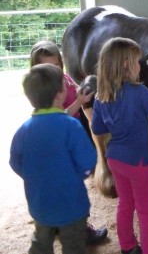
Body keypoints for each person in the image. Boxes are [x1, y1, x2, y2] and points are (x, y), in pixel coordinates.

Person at [91, 37, 148, 254]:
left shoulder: (100, 96)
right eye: (137, 61)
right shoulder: (138, 92)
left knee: (125, 204)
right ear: (125, 64)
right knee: (147, 211)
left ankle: (128, 246)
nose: (141, 66)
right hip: (138, 161)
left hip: (115, 158)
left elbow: (99, 129)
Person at [9, 63, 97, 254]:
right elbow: (88, 162)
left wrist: (33, 176)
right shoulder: (71, 126)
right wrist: (77, 175)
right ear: (59, 94)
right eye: (65, 84)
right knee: (73, 246)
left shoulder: (23, 130)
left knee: (41, 242)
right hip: (72, 205)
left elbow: (15, 162)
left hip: (39, 204)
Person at [29, 40, 108, 245]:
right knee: (71, 193)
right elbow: (57, 116)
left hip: (70, 141)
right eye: (44, 67)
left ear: (61, 65)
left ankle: (60, 226)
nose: (51, 72)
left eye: (55, 66)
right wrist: (79, 103)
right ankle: (79, 230)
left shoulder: (63, 80)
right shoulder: (43, 90)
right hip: (62, 144)